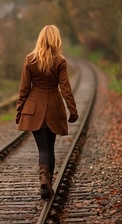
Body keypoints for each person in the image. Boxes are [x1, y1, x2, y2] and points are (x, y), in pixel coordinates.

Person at [16, 25, 78, 200]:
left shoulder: (30, 59)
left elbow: (24, 89)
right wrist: (72, 110)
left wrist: (19, 110)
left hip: (33, 110)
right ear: (56, 39)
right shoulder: (60, 61)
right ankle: (46, 182)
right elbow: (65, 88)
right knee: (49, 148)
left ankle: (44, 181)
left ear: (40, 39)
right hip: (53, 108)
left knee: (42, 148)